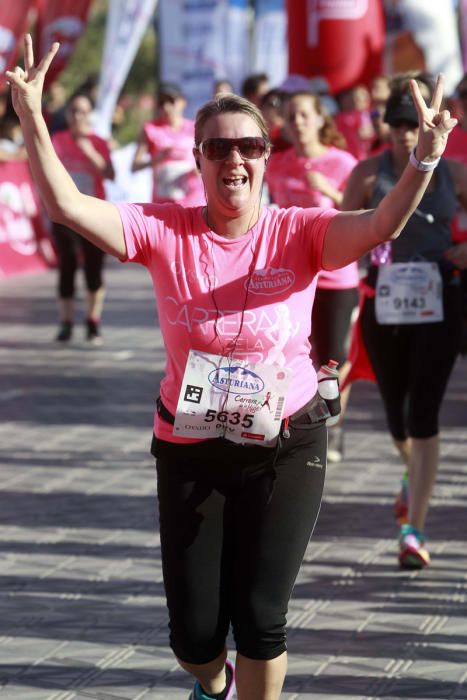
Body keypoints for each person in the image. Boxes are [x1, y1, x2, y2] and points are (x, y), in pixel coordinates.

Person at [7, 35, 457, 700]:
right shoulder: (165, 230)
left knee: (261, 620)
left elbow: (380, 226)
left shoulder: (299, 230)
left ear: (265, 158)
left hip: (286, 440)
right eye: (218, 147)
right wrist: (33, 119)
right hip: (189, 446)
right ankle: (211, 683)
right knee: (192, 637)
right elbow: (68, 208)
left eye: (248, 146)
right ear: (197, 160)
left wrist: (420, 160)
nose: (234, 158)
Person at [341, 72, 467, 570]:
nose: (403, 135)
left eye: (409, 125)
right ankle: (411, 474)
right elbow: (336, 231)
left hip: (441, 299)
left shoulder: (454, 173)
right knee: (396, 416)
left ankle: (413, 527)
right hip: (385, 301)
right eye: (395, 127)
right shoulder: (368, 173)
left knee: (425, 414)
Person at [266, 91, 358, 462]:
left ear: (321, 119)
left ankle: (332, 425)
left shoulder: (343, 162)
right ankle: (279, 423)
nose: (298, 122)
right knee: (282, 350)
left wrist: (331, 192)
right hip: (290, 277)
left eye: (305, 115)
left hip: (335, 275)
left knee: (332, 357)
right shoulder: (278, 163)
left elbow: (360, 217)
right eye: (291, 116)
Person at [51, 90, 115, 344]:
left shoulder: (98, 141)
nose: (78, 116)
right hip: (65, 214)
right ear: (67, 115)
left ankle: (92, 321)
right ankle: (66, 322)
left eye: (83, 112)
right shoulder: (57, 141)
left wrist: (92, 154)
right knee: (66, 264)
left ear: (90, 116)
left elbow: (111, 174)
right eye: (73, 111)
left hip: (94, 214)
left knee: (93, 269)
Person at [131, 81, 205, 207]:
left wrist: (199, 169)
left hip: (193, 199)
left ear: (182, 102)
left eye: (171, 101)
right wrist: (158, 159)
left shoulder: (195, 128)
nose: (166, 107)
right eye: (161, 103)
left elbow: (206, 161)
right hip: (164, 202)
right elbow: (135, 166)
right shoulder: (150, 129)